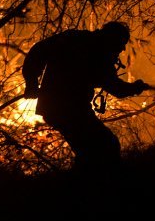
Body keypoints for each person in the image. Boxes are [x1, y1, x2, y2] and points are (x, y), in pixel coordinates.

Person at [21, 21, 148, 173]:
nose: (122, 48)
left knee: (92, 150)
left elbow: (38, 51)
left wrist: (31, 81)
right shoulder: (100, 55)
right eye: (121, 43)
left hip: (59, 108)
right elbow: (116, 88)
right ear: (112, 38)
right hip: (69, 110)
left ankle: (87, 184)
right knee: (105, 146)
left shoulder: (74, 38)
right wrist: (135, 88)